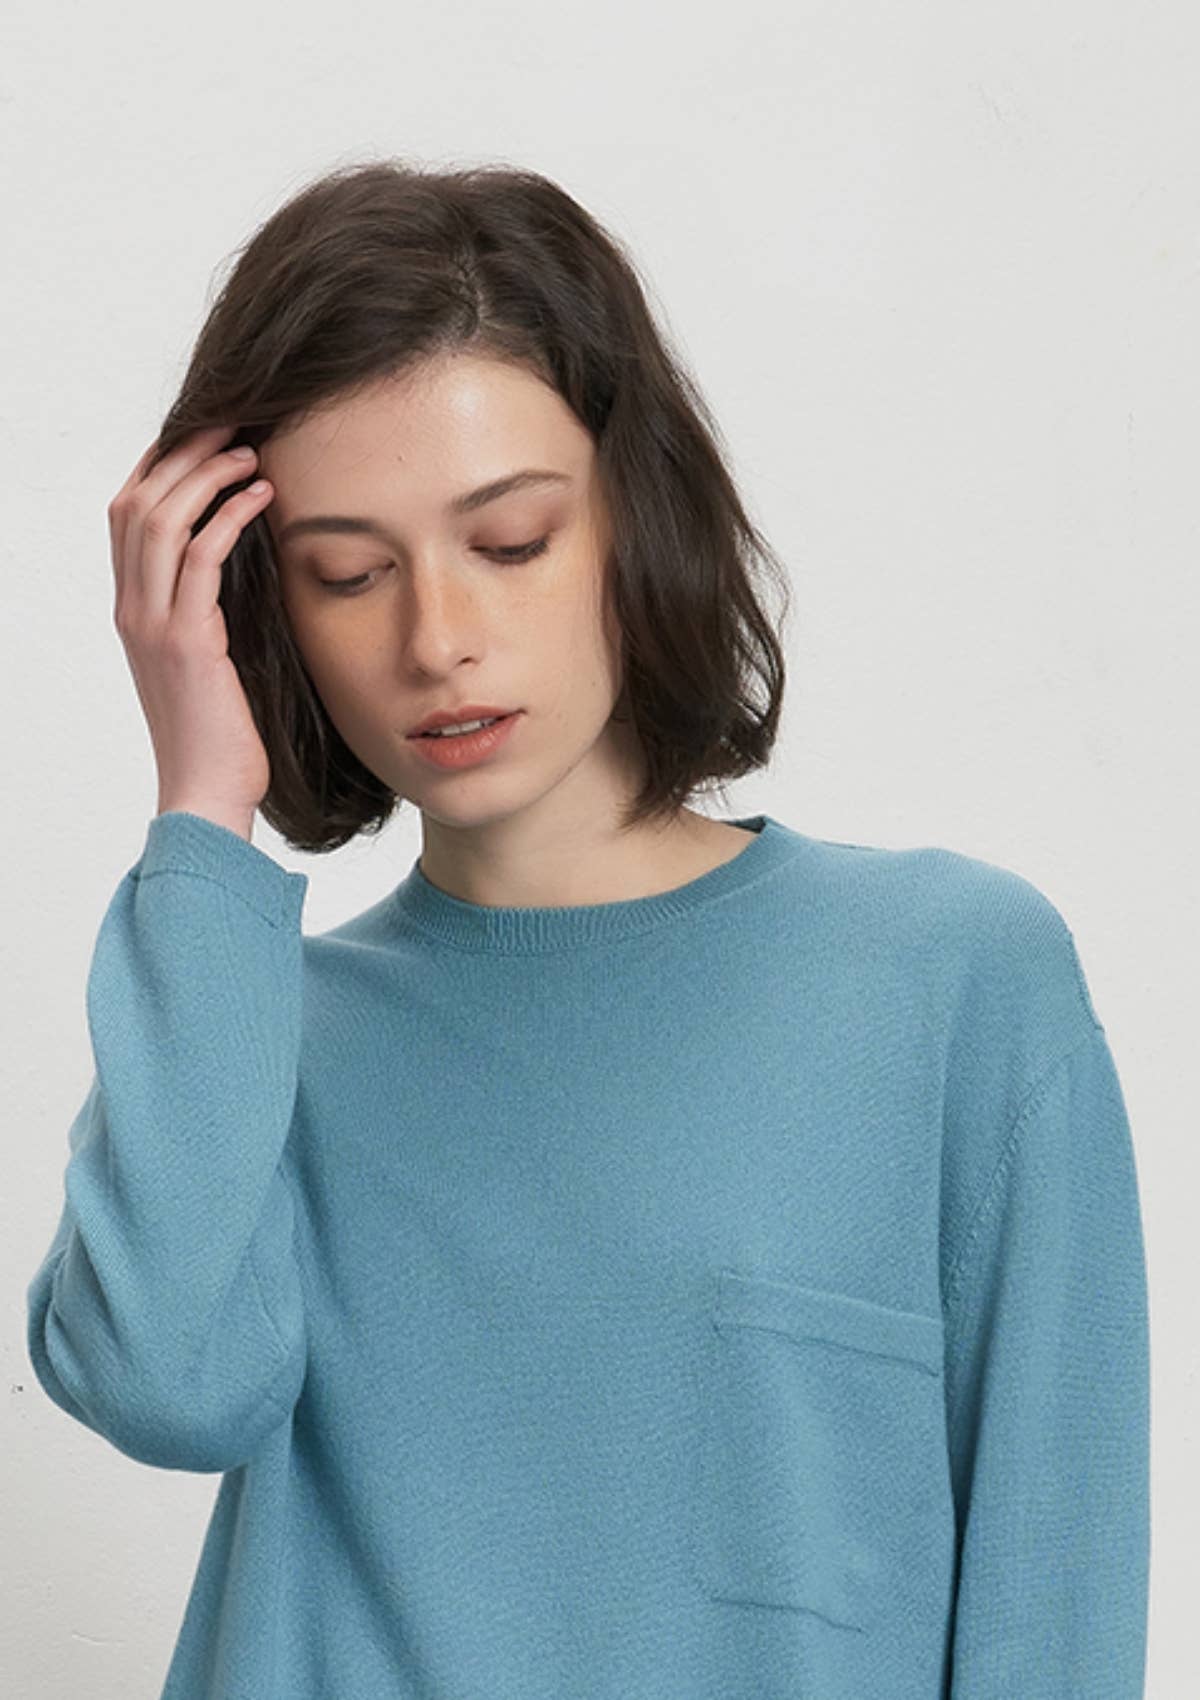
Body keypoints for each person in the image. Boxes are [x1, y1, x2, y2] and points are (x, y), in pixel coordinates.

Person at [25, 160, 1150, 1699]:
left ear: (634, 518)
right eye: (348, 574)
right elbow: (161, 1387)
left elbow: (1052, 1610)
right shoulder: (255, 1041)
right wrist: (201, 814)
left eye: (510, 543)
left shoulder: (950, 981)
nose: (438, 639)